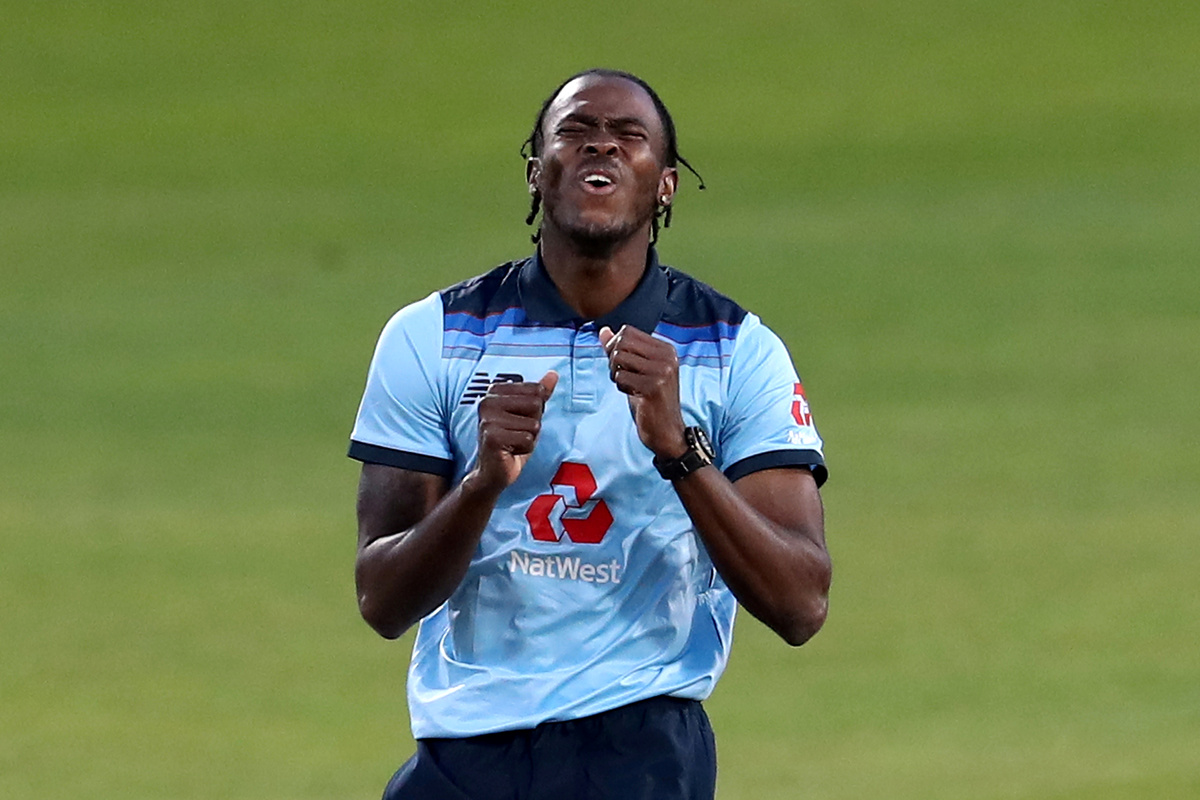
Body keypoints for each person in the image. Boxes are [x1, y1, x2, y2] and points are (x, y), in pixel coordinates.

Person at [348, 68, 831, 800]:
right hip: (462, 748)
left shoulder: (737, 350)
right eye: (574, 132)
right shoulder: (433, 335)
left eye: (628, 136)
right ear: (536, 173)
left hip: (640, 750)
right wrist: (481, 485)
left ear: (666, 186)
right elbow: (382, 601)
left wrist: (680, 452)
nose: (600, 146)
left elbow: (801, 604)